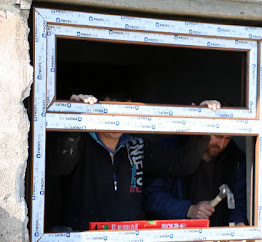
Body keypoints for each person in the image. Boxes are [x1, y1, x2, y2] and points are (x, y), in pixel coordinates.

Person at [45, 90, 221, 231]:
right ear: (96, 110)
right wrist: (75, 119)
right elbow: (61, 166)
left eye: (123, 113)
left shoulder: (135, 145)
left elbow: (182, 164)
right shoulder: (81, 142)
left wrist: (203, 125)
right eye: (109, 112)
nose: (116, 120)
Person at [143, 134, 248, 227]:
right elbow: (151, 198)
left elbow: (239, 199)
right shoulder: (170, 150)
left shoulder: (235, 158)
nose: (221, 144)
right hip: (177, 239)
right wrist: (188, 210)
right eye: (218, 136)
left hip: (218, 239)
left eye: (228, 138)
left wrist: (238, 222)